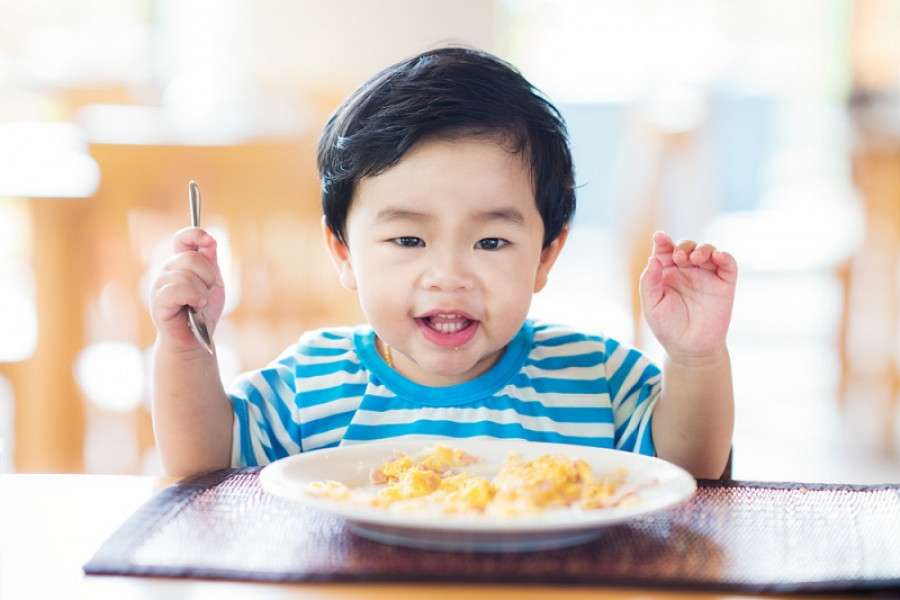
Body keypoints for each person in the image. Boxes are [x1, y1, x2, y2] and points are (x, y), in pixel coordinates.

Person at [149, 47, 737, 479]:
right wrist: (183, 348)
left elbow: (689, 471)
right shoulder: (310, 385)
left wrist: (695, 356)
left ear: (546, 254)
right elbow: (203, 466)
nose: (449, 275)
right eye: (409, 241)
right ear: (343, 252)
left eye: (490, 243)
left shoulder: (596, 381)